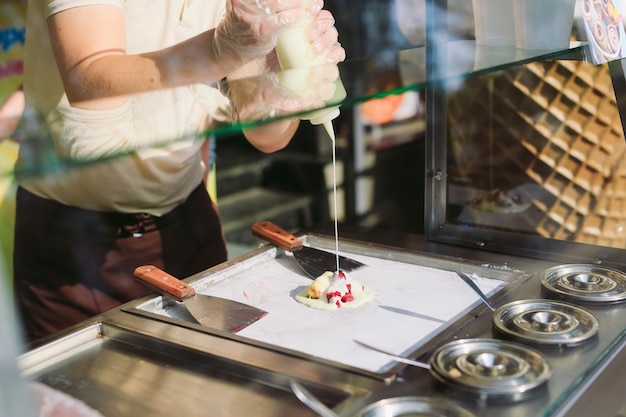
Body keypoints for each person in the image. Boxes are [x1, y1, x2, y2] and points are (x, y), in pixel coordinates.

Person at [13, 0, 345, 343]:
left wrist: (280, 83)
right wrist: (220, 51)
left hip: (186, 219)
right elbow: (87, 76)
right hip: (74, 241)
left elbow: (264, 134)